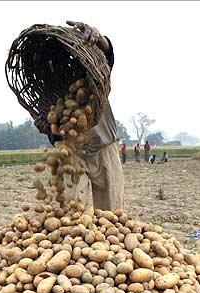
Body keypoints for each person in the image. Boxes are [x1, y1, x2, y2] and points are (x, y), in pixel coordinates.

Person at [34, 21, 124, 211]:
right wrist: (48, 128)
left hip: (104, 146)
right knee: (69, 213)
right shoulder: (51, 94)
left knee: (112, 214)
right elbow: (53, 126)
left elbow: (107, 55)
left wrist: (99, 39)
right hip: (71, 153)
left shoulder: (92, 75)